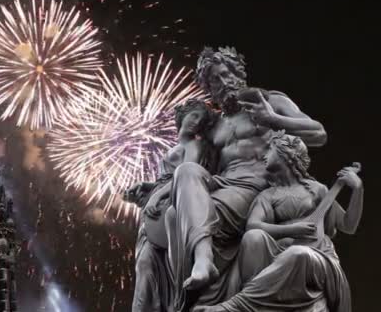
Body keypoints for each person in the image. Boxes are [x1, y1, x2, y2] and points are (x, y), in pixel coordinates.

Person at [168, 46, 327, 311]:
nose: (223, 83)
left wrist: (273, 119)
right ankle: (203, 261)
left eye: (226, 74)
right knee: (181, 185)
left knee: (182, 217)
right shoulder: (214, 126)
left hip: (254, 187)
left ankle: (202, 270)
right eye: (214, 81)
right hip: (222, 186)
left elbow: (318, 133)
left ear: (238, 74)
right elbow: (190, 162)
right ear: (209, 90)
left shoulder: (269, 101)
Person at [193, 131, 363, 312]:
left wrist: (358, 189)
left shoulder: (317, 190)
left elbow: (348, 225)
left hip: (315, 259)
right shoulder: (268, 195)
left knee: (298, 254)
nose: (264, 156)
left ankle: (235, 306)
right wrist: (292, 230)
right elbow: (253, 225)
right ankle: (257, 302)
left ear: (286, 155)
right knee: (253, 237)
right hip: (280, 253)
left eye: (270, 150)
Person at [124, 99, 216, 312]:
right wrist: (146, 187)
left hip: (173, 204)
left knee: (157, 266)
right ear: (182, 116)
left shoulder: (194, 144)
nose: (197, 122)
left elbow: (185, 172)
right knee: (144, 266)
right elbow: (164, 179)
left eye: (201, 119)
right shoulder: (176, 148)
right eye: (194, 115)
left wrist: (156, 197)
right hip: (154, 213)